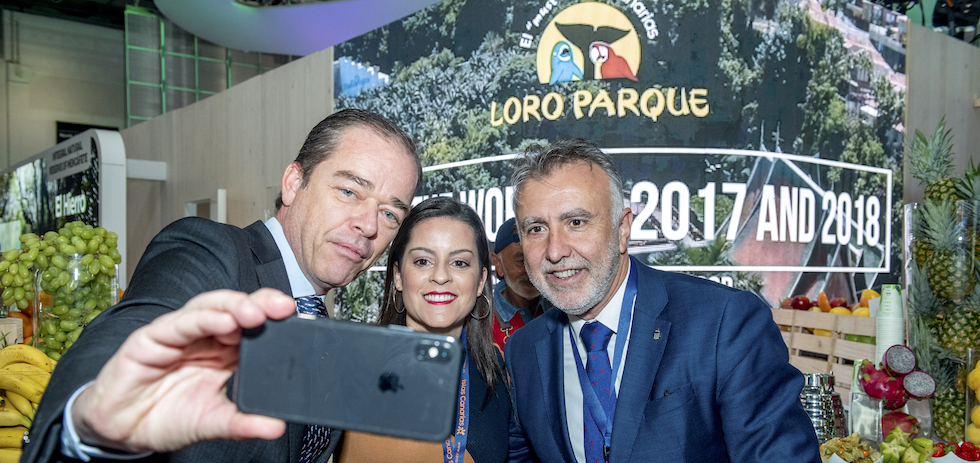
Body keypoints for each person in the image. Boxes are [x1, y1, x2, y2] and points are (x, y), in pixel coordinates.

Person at [22, 109, 422, 463]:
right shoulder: (213, 252)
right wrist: (90, 418)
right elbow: (140, 323)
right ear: (293, 183)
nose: (369, 225)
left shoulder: (324, 324)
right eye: (349, 191)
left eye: (389, 213)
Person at [504, 139, 821, 462]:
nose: (555, 251)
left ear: (623, 228)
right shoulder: (524, 350)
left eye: (576, 222)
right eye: (536, 229)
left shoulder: (724, 323)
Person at [335, 196, 510, 463]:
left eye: (459, 263)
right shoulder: (354, 372)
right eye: (422, 261)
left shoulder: (496, 369)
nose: (440, 276)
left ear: (480, 281)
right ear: (398, 275)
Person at [489, 216, 550, 352]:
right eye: (521, 261)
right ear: (497, 263)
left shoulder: (561, 309)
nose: (531, 271)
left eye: (538, 259)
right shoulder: (480, 322)